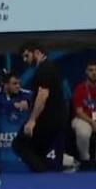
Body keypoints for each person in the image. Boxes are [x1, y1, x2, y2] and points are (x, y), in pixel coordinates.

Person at [13, 41, 70, 173]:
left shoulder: (44, 69)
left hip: (49, 118)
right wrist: (28, 104)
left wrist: (32, 120)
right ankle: (45, 174)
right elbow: (51, 95)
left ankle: (43, 173)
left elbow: (43, 96)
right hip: (55, 117)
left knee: (19, 144)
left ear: (37, 53)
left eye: (27, 56)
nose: (25, 60)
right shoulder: (48, 67)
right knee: (36, 152)